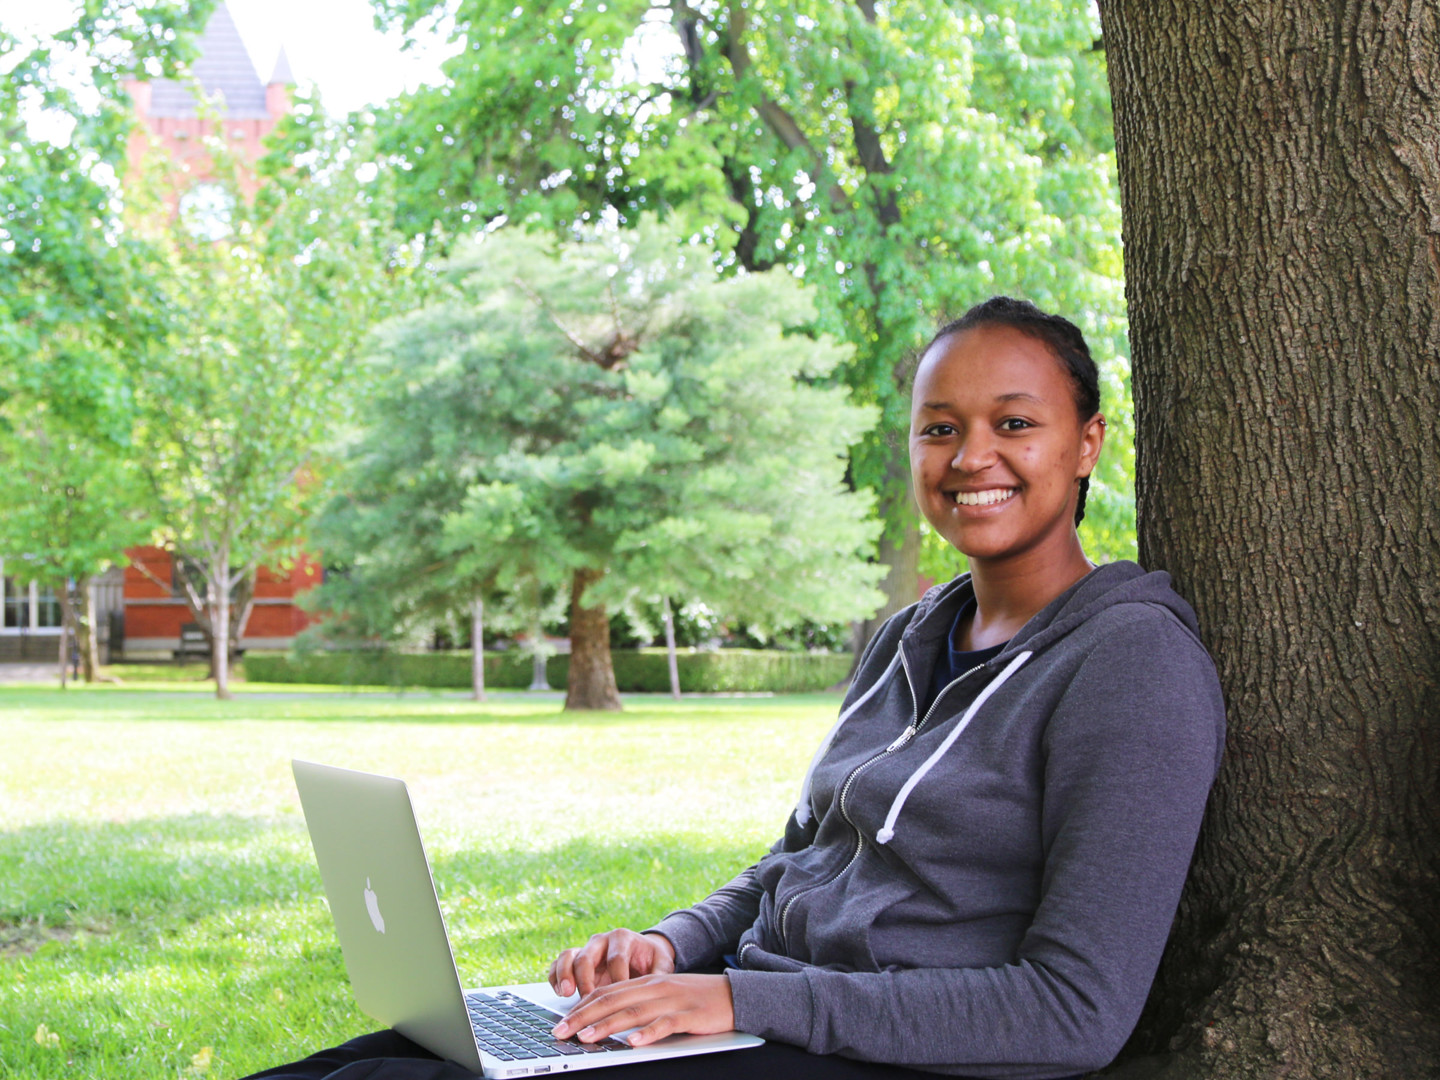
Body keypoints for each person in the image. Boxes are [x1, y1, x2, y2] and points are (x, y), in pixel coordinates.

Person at [246, 297, 1225, 1080]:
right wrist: (675, 950)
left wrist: (737, 1004)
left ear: (1087, 443)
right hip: (758, 1022)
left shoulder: (1130, 664)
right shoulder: (910, 637)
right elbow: (800, 861)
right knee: (365, 1063)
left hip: (876, 1053)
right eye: (940, 429)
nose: (972, 458)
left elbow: (1073, 1014)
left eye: (1015, 423)